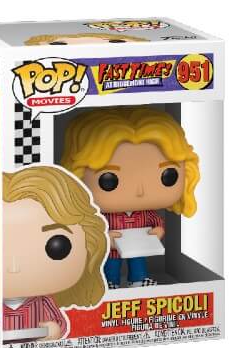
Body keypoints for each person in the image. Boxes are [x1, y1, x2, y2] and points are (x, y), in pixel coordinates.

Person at [61, 107, 199, 289]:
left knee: (138, 263)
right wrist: (104, 238)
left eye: (168, 176)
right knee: (111, 266)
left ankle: (139, 280)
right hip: (111, 250)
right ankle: (110, 283)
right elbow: (90, 231)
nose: (140, 191)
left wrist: (158, 230)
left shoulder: (146, 214)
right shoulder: (103, 217)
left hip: (139, 246)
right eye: (108, 180)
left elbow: (156, 222)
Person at [2, 165, 107, 340]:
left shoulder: (43, 302)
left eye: (57, 247)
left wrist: (53, 330)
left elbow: (59, 323)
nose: (14, 267)